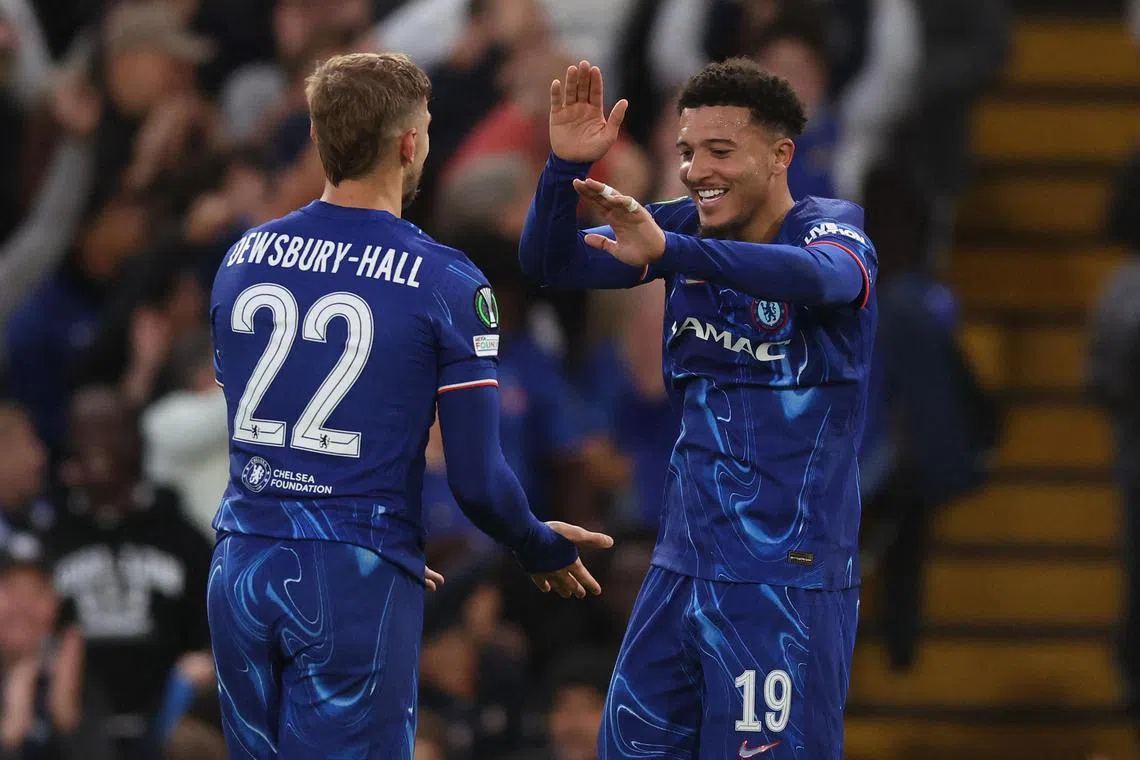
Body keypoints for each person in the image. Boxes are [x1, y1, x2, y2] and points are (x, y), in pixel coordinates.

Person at [206, 52, 612, 759]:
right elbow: (477, 482)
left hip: (241, 561)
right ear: (408, 143)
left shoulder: (242, 257)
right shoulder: (446, 280)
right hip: (354, 576)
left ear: (319, 137)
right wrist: (535, 543)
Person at [518, 58, 877, 758]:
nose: (695, 170)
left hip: (784, 577)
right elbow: (549, 261)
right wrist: (564, 168)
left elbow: (827, 280)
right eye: (686, 151)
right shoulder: (682, 231)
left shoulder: (830, 229)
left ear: (780, 155)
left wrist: (675, 253)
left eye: (720, 151)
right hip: (679, 567)